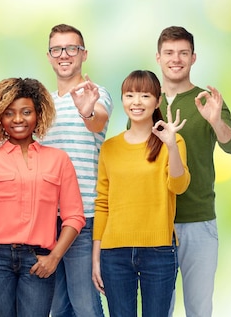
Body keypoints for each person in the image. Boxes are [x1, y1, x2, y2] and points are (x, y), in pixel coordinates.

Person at [0, 77, 86, 317]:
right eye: (9, 113)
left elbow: (74, 217)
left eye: (26, 112)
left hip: (38, 259)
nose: (18, 119)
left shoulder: (58, 159)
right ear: (0, 117)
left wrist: (54, 257)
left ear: (38, 114)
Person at [156, 26, 231, 317]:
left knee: (199, 308)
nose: (176, 59)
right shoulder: (144, 101)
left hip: (198, 221)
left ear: (193, 58)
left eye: (183, 53)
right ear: (158, 58)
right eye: (169, 52)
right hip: (155, 224)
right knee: (158, 309)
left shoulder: (207, 101)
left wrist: (216, 121)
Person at [92, 70, 190, 317]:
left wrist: (170, 144)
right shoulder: (110, 148)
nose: (136, 102)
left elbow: (178, 186)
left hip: (158, 250)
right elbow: (102, 203)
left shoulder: (173, 143)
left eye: (145, 95)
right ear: (123, 99)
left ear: (157, 101)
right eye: (130, 95)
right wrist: (96, 257)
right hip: (114, 253)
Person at [41, 23, 112, 317]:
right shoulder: (43, 104)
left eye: (71, 48)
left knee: (85, 305)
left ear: (83, 54)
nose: (64, 55)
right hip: (47, 219)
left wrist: (86, 109)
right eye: (57, 49)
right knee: (56, 307)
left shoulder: (96, 94)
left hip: (83, 216)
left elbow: (98, 120)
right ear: (49, 56)